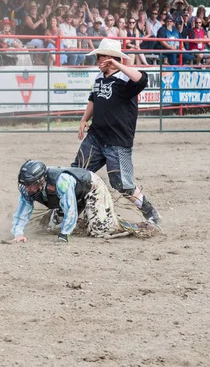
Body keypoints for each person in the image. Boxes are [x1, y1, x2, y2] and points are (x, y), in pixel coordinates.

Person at [72, 38, 162, 225]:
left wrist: (117, 64)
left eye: (100, 56)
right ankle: (67, 212)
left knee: (123, 184)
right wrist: (84, 119)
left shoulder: (126, 79)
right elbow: (93, 99)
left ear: (110, 58)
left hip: (118, 140)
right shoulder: (99, 78)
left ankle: (150, 212)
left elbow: (142, 79)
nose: (97, 60)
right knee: (77, 173)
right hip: (96, 136)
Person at [11, 160, 157, 243]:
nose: (27, 189)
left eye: (30, 185)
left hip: (91, 188)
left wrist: (65, 234)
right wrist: (18, 233)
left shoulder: (61, 181)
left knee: (99, 230)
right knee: (50, 227)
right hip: (73, 196)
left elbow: (70, 208)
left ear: (41, 181)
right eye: (25, 184)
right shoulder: (27, 189)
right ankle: (86, 221)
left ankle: (137, 225)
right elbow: (22, 212)